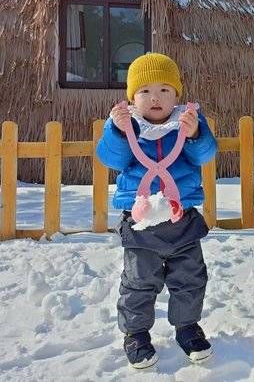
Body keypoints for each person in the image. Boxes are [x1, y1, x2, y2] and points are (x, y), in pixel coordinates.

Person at [96, 53, 218, 368]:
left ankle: (187, 328)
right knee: (139, 280)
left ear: (177, 95)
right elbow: (112, 159)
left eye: (165, 89)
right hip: (141, 222)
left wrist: (194, 136)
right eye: (146, 90)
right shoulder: (125, 122)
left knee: (190, 278)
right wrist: (119, 132)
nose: (155, 97)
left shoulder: (188, 120)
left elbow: (205, 155)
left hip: (182, 219)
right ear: (132, 97)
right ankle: (135, 334)